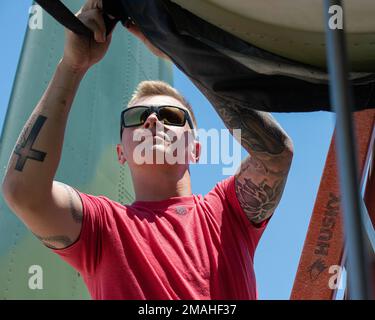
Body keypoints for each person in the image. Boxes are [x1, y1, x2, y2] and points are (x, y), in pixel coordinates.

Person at [2, 0, 293, 299]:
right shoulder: (102, 227)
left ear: (195, 149)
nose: (153, 119)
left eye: (171, 116)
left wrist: (181, 54)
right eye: (136, 118)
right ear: (121, 153)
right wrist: (72, 66)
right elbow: (23, 192)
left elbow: (275, 155)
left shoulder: (227, 212)